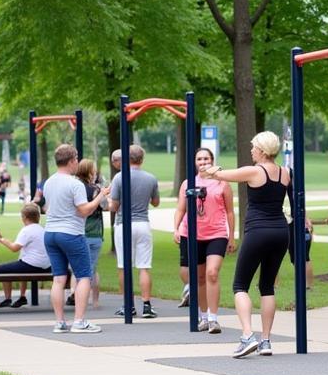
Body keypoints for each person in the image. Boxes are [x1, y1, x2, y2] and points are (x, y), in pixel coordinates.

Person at [203, 131, 290, 358]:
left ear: (261, 151)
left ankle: (247, 335)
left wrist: (210, 169)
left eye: (253, 147)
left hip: (257, 231)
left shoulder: (254, 171)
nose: (251, 150)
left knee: (240, 285)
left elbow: (221, 175)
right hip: (281, 231)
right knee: (267, 286)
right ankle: (266, 341)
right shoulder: (285, 172)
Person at [42, 143, 111, 333]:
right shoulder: (75, 184)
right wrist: (100, 196)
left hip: (50, 233)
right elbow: (83, 211)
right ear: (72, 161)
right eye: (76, 159)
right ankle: (79, 321)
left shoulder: (49, 182)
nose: (77, 163)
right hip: (71, 233)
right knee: (84, 276)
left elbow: (47, 208)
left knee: (58, 278)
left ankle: (59, 322)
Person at [174, 147, 235, 334]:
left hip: (216, 234)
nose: (203, 162)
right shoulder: (188, 183)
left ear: (212, 160)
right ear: (195, 162)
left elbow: (230, 211)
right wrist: (175, 228)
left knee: (212, 273)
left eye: (206, 159)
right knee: (199, 278)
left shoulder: (222, 183)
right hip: (192, 234)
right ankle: (203, 316)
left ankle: (213, 318)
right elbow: (181, 209)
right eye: (199, 159)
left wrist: (231, 236)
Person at [110, 144, 160, 318]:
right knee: (144, 266)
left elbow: (114, 206)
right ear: (142, 159)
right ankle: (146, 305)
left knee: (124, 266)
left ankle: (128, 305)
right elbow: (155, 202)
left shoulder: (119, 178)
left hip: (124, 224)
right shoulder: (151, 178)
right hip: (143, 223)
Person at [0, 203, 52, 308]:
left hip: (33, 265)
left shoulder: (26, 230)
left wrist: (1, 240)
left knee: (2, 269)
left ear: (24, 217)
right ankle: (22, 297)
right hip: (45, 265)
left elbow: (14, 248)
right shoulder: (42, 229)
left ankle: (7, 298)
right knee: (20, 261)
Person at [76, 158, 106, 309]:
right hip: (95, 233)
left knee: (77, 269)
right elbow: (106, 206)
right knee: (92, 269)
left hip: (79, 232)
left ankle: (77, 299)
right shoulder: (96, 190)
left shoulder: (75, 187)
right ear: (90, 171)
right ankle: (95, 301)